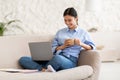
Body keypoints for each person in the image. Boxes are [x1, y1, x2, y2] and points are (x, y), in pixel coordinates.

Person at [19, 7, 95, 72]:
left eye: (70, 20)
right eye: (65, 20)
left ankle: (46, 68)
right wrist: (63, 46)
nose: (67, 23)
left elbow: (92, 47)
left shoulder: (83, 33)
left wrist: (80, 43)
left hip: (70, 61)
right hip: (54, 57)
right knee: (23, 59)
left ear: (76, 18)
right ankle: (44, 69)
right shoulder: (60, 32)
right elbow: (53, 49)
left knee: (57, 59)